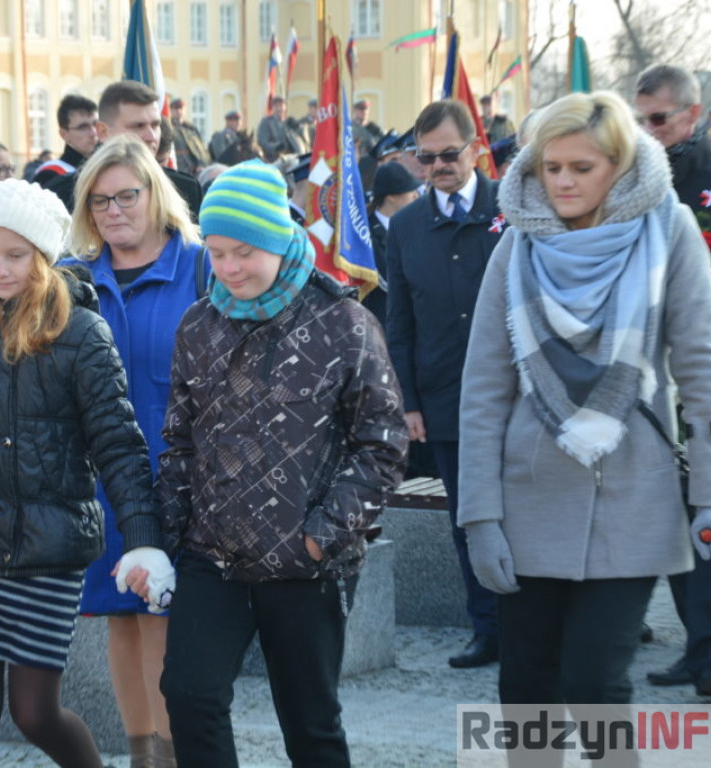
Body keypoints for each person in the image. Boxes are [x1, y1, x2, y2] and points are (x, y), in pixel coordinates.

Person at [459, 91, 711, 714]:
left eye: (581, 168)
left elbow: (705, 368)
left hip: (635, 497)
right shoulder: (516, 247)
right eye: (550, 167)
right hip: (527, 501)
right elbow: (482, 390)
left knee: (594, 689)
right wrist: (480, 519)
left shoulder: (669, 230)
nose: (561, 182)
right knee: (525, 690)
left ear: (619, 163)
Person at [0, 178, 173, 768]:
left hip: (49, 549)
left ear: (44, 256)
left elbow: (119, 445)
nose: (0, 269)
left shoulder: (80, 333)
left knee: (33, 712)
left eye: (16, 255)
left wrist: (144, 540)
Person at [156, 159, 408, 768]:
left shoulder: (344, 324)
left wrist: (320, 538)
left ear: (278, 239)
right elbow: (178, 438)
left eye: (244, 251)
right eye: (216, 253)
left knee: (310, 723)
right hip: (211, 558)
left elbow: (383, 445)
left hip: (304, 567)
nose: (230, 268)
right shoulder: (198, 324)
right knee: (188, 695)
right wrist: (169, 536)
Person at [64, 133, 205, 768]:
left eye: (126, 195)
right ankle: (140, 755)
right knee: (119, 617)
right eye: (99, 202)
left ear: (155, 193)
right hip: (98, 480)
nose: (114, 210)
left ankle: (173, 757)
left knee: (161, 617)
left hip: (179, 475)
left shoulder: (199, 266)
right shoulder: (72, 281)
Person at [386, 99, 506, 669]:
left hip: (514, 394)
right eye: (427, 157)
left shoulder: (510, 208)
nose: (439, 166)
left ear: (475, 149)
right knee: (468, 519)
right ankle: (487, 630)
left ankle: (534, 627)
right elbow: (400, 320)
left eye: (450, 154)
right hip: (443, 396)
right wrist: (408, 401)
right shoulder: (407, 225)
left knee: (526, 513)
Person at [634, 64, 711, 697]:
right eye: (638, 119)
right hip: (656, 381)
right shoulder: (632, 186)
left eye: (658, 120)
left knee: (710, 507)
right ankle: (704, 651)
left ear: (692, 117)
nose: (647, 131)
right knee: (675, 513)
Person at [43, 81, 202, 220]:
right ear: (103, 132)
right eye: (138, 126)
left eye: (155, 125)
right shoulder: (63, 194)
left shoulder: (185, 189)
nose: (151, 136)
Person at [363, 162, 419, 325]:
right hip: (382, 321)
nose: (415, 195)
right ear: (391, 197)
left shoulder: (416, 225)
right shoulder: (366, 234)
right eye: (409, 191)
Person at [32, 94, 99, 185]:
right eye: (83, 127)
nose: (93, 133)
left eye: (96, 124)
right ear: (64, 134)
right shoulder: (50, 174)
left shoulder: (110, 166)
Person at [170, 97, 212, 177]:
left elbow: (201, 149)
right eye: (175, 109)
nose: (179, 111)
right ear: (171, 110)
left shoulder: (191, 128)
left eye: (181, 108)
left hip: (195, 170)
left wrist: (202, 164)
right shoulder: (169, 128)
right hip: (179, 170)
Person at [256, 96, 307, 162]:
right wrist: (276, 147)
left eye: (281, 106)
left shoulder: (289, 122)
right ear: (272, 108)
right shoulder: (266, 122)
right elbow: (262, 142)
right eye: (276, 106)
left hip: (292, 157)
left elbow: (302, 141)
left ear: (285, 107)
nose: (279, 109)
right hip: (273, 159)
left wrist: (298, 128)